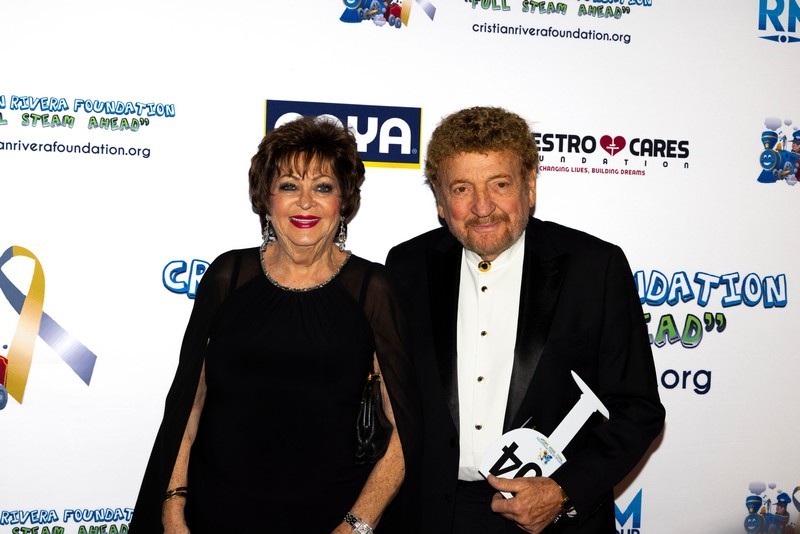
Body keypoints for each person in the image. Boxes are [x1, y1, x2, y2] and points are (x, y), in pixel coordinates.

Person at [130, 116, 419, 534]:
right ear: (266, 199)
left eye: (323, 187)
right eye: (289, 186)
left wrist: (356, 525)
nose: (306, 203)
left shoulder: (372, 289)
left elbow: (405, 430)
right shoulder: (228, 276)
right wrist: (173, 509)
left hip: (331, 520)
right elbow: (187, 407)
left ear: (344, 201)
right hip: (215, 516)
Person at [385, 106, 665, 533]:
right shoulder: (406, 266)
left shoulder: (594, 267)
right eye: (461, 188)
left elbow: (638, 409)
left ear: (530, 185)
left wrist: (563, 491)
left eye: (500, 184)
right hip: (429, 516)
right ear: (440, 200)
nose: (482, 207)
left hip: (551, 519)